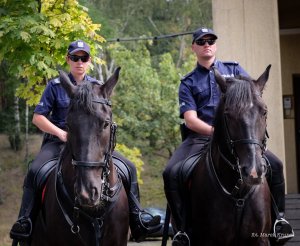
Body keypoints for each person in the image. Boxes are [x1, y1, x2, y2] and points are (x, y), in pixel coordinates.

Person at [10, 40, 161, 243]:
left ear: (89, 61)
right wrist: (61, 133)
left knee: (129, 167)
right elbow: (38, 117)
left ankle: (138, 219)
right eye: (75, 58)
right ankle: (25, 220)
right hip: (59, 143)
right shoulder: (55, 86)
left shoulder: (98, 88)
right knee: (36, 169)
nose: (79, 62)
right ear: (68, 59)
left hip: (93, 146)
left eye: (84, 58)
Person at [163, 27, 294, 246]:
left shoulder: (234, 70)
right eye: (201, 41)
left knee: (276, 165)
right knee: (172, 172)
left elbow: (252, 96)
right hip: (200, 139)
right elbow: (190, 120)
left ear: (215, 45)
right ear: (194, 47)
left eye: (211, 40)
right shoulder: (188, 82)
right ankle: (182, 231)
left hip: (240, 137)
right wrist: (217, 132)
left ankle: (279, 221)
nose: (207, 44)